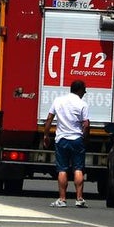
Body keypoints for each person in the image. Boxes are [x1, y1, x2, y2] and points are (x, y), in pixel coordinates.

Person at [42, 80, 90, 208]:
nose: (84, 93)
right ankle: (79, 198)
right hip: (77, 139)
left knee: (62, 169)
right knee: (78, 169)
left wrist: (46, 135)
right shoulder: (82, 104)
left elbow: (49, 118)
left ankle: (62, 199)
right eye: (84, 91)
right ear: (79, 90)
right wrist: (85, 138)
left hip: (61, 139)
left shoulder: (58, 101)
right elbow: (86, 124)